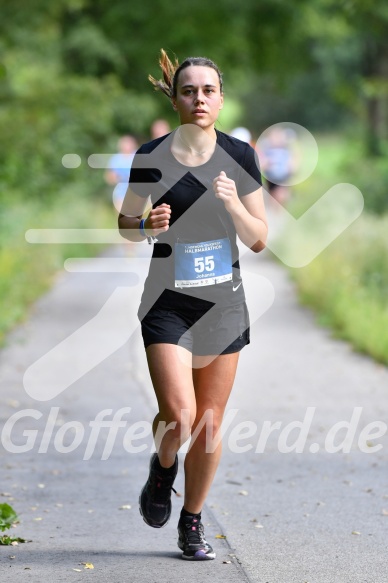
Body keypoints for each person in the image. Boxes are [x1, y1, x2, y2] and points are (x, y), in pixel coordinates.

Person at [118, 49, 268, 561]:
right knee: (179, 415)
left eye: (208, 90)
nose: (199, 98)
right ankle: (163, 472)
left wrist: (231, 205)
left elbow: (258, 239)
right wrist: (145, 226)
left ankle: (192, 521)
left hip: (223, 304)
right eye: (189, 90)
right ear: (176, 98)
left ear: (220, 100)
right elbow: (125, 222)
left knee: (207, 423)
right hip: (167, 302)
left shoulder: (240, 158)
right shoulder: (151, 156)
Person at [105, 135, 139, 212]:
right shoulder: (116, 159)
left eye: (129, 144)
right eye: (125, 144)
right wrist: (115, 178)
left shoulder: (138, 156)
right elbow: (109, 177)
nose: (127, 146)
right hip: (120, 194)